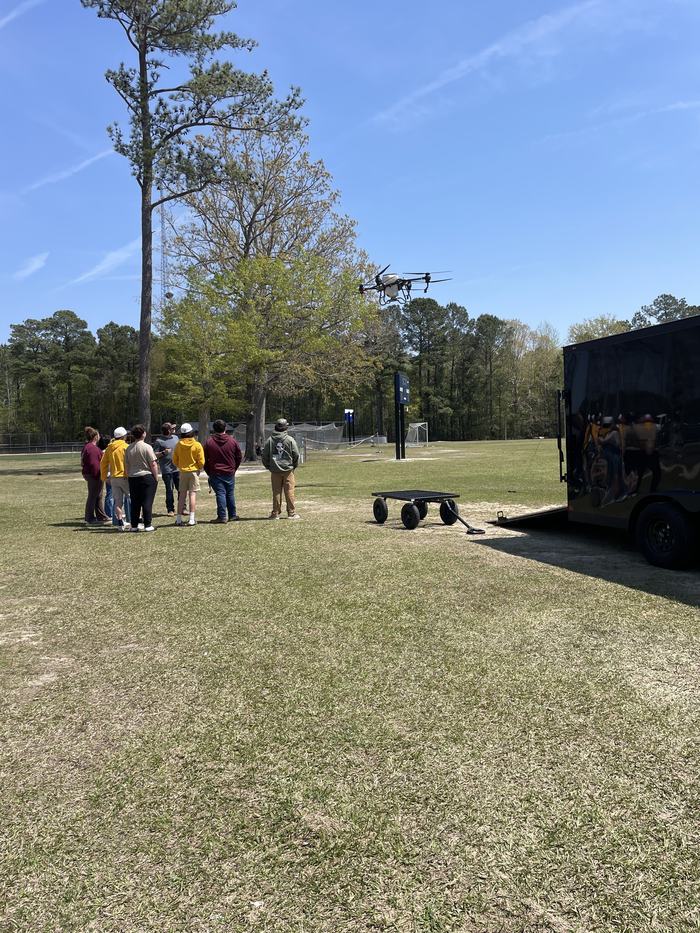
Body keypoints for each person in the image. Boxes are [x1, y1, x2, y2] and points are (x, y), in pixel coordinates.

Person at [204, 419, 243, 523]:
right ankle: (232, 515)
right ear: (225, 428)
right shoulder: (232, 441)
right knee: (230, 493)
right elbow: (239, 457)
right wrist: (234, 468)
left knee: (220, 493)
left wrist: (208, 471)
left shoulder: (209, 442)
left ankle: (222, 516)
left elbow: (205, 459)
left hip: (215, 472)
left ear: (214, 429)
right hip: (229, 471)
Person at [261, 418, 300, 519]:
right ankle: (291, 513)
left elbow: (264, 456)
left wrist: (269, 466)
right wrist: (293, 466)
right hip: (288, 470)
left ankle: (275, 513)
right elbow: (296, 454)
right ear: (286, 427)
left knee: (276, 492)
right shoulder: (290, 440)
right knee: (290, 491)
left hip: (275, 471)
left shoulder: (269, 440)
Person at [124, 425, 159, 532]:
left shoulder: (129, 448)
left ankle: (134, 525)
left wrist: (128, 475)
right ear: (143, 433)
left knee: (135, 502)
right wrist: (156, 477)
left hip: (133, 477)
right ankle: (147, 524)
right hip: (146, 476)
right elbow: (153, 464)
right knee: (147, 501)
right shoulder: (147, 447)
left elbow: (126, 465)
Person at [172, 422, 205, 526]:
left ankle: (178, 519)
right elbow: (201, 460)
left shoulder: (178, 445)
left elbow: (174, 460)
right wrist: (199, 468)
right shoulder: (197, 444)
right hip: (193, 472)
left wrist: (180, 466)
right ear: (191, 432)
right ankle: (191, 519)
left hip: (182, 472)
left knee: (182, 495)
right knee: (192, 494)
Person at [81, 426, 109, 524]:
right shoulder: (92, 448)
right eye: (98, 434)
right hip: (95, 475)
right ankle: (89, 518)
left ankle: (101, 516)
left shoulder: (88, 446)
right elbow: (94, 464)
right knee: (93, 496)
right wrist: (98, 475)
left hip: (92, 474)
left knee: (98, 495)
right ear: (95, 436)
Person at [153, 422, 180, 516]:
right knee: (169, 490)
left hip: (177, 468)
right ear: (168, 430)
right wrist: (164, 452)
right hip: (166, 470)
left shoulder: (176, 438)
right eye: (172, 428)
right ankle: (170, 509)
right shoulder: (159, 441)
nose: (174, 430)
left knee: (181, 489)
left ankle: (182, 508)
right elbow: (154, 454)